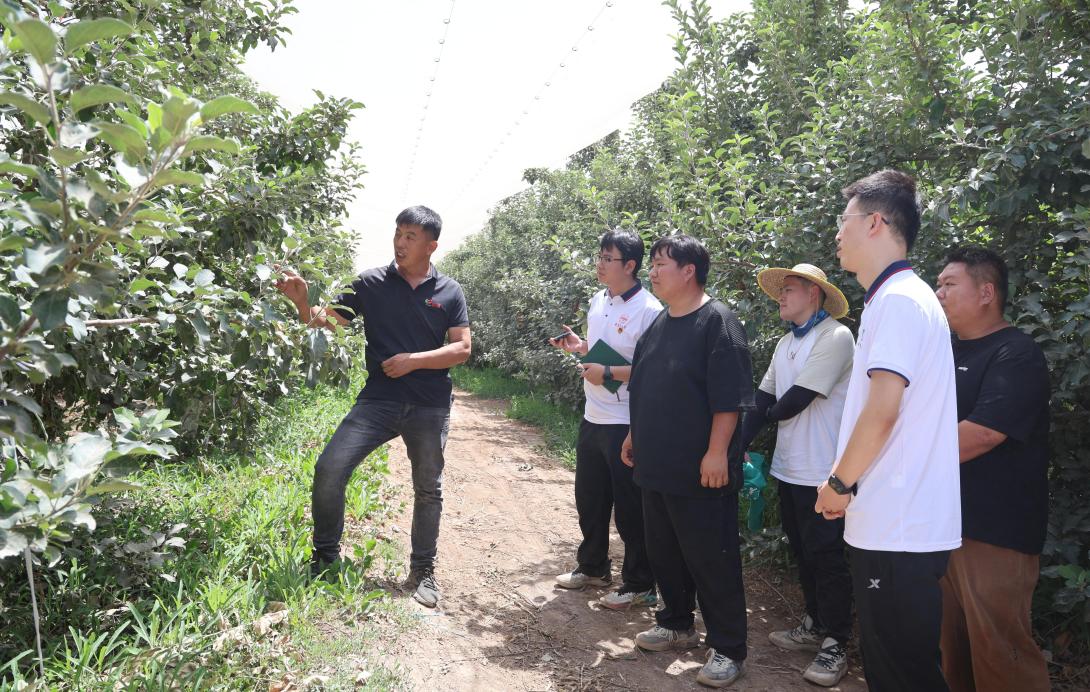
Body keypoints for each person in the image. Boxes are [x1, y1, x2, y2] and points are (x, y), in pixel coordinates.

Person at [274, 205, 471, 608]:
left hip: (429, 405)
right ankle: (325, 559)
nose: (400, 242)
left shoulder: (449, 291)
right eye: (398, 233)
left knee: (428, 489)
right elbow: (325, 322)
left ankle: (423, 571)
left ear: (431, 246)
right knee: (330, 468)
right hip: (378, 400)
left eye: (411, 236)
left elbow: (462, 348)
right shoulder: (370, 283)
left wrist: (413, 361)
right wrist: (302, 303)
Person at [814, 170, 961, 691]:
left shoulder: (899, 299)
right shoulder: (897, 298)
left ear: (875, 222)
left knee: (902, 674)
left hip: (900, 527)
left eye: (844, 220)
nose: (838, 233)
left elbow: (882, 411)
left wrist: (840, 483)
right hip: (898, 523)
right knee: (899, 668)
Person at [622, 234, 754, 688]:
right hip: (657, 465)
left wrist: (717, 453)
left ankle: (729, 648)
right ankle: (676, 622)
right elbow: (645, 385)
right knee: (665, 552)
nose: (653, 272)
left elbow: (730, 400)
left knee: (712, 559)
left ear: (689, 271)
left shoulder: (718, 322)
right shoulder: (660, 323)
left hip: (701, 470)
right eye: (653, 264)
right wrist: (634, 434)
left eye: (661, 264)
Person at [934, 245, 1051, 692]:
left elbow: (983, 433)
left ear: (986, 293)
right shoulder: (943, 351)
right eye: (938, 284)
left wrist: (901, 457)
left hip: (996, 534)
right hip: (944, 526)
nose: (938, 293)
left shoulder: (1016, 353)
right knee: (951, 652)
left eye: (949, 284)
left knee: (1001, 654)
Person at [737, 262, 854, 687]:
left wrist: (764, 415)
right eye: (781, 290)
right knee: (803, 550)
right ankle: (814, 624)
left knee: (827, 556)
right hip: (790, 467)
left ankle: (837, 641)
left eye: (789, 289)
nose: (781, 297)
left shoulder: (835, 337)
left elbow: (794, 401)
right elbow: (763, 397)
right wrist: (735, 444)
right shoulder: (786, 342)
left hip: (824, 471)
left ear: (814, 294)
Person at [551, 229, 663, 610]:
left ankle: (640, 583)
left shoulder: (649, 310)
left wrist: (610, 372)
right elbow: (599, 350)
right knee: (590, 498)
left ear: (630, 265)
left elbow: (653, 369)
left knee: (630, 508)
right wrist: (579, 347)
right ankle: (593, 566)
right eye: (598, 256)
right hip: (593, 415)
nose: (599, 264)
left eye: (607, 258)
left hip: (626, 420)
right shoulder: (598, 300)